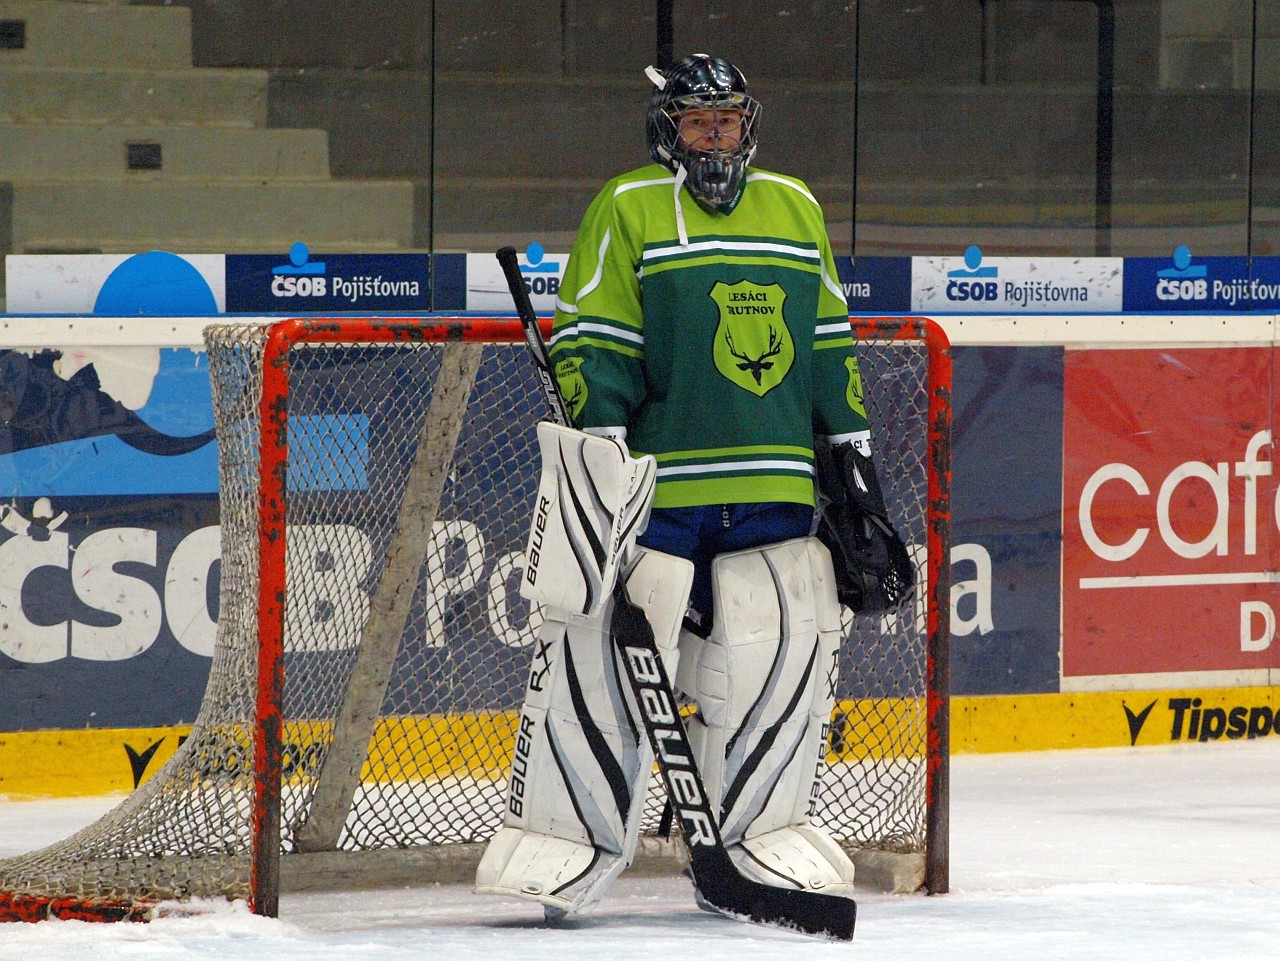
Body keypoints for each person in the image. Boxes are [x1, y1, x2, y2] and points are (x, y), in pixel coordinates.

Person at [477, 52, 905, 920]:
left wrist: (849, 448)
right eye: (699, 124)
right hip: (662, 480)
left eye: (728, 122)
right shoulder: (629, 205)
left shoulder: (795, 207)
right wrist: (602, 444)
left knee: (780, 631)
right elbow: (596, 333)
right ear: (667, 131)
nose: (716, 138)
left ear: (750, 127)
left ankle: (758, 830)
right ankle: (569, 833)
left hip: (774, 473)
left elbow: (827, 336)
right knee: (600, 642)